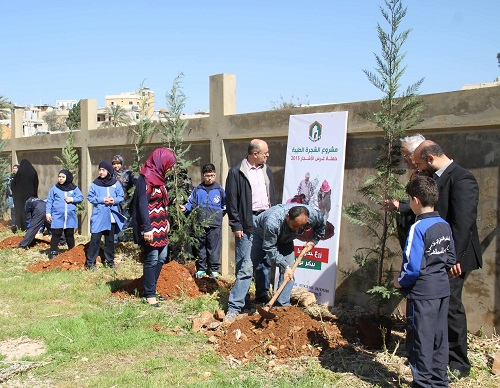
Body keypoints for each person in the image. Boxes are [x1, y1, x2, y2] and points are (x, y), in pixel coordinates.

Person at [414, 140, 482, 379]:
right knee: (441, 307)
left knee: (451, 307)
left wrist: (454, 259)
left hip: (455, 258)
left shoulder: (462, 178)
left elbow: (463, 225)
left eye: (420, 162)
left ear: (431, 158)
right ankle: (438, 355)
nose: (419, 167)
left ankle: (458, 362)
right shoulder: (438, 177)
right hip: (441, 256)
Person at [394, 175, 456, 387]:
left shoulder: (417, 228)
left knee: (420, 340)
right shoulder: (444, 225)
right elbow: (451, 258)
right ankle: (439, 382)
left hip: (422, 294)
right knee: (439, 339)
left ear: (415, 200)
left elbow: (412, 266)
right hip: (442, 290)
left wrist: (400, 282)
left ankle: (422, 383)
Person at [224, 204, 326, 323]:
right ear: (288, 216)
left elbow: (322, 221)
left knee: (289, 275)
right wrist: (286, 266)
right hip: (261, 236)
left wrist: (314, 241)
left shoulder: (312, 215)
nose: (298, 230)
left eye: (301, 227)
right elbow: (269, 248)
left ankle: (281, 308)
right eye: (295, 226)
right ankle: (233, 309)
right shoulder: (273, 221)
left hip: (286, 240)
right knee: (247, 269)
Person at [225, 139, 276, 305]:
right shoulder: (236, 172)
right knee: (244, 260)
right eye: (265, 152)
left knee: (265, 259)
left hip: (266, 219)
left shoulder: (266, 170)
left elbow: (271, 195)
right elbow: (231, 201)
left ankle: (262, 293)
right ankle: (243, 298)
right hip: (248, 220)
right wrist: (236, 224)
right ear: (255, 154)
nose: (268, 155)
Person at [131, 148, 177, 308]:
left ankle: (152, 288)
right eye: (169, 165)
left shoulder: (159, 177)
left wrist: (167, 220)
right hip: (150, 225)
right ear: (160, 162)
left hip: (161, 223)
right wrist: (147, 228)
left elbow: (163, 202)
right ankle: (149, 294)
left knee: (162, 256)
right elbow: (142, 205)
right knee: (152, 258)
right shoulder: (145, 180)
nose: (170, 168)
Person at [180, 163, 226, 279]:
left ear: (215, 175)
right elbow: (191, 203)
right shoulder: (198, 189)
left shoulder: (220, 190)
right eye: (207, 175)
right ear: (203, 176)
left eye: (212, 175)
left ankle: (214, 269)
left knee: (214, 247)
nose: (209, 178)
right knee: (201, 246)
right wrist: (185, 208)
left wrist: (219, 216)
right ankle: (201, 268)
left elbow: (225, 205)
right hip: (200, 224)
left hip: (215, 225)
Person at [384, 134, 426, 249]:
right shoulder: (416, 173)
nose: (404, 160)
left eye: (406, 155)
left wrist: (400, 206)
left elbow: (425, 201)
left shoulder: (427, 174)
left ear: (418, 152)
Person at [85, 161, 125, 270]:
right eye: (100, 170)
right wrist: (102, 200)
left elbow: (121, 196)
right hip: (99, 216)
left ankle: (110, 262)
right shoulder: (95, 184)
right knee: (95, 239)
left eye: (103, 170)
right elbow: (90, 197)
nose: (101, 172)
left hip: (111, 217)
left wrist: (114, 200)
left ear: (109, 171)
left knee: (110, 241)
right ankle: (90, 263)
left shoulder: (115, 184)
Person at [46, 169, 84, 259]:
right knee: (56, 233)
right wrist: (48, 213)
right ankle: (53, 251)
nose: (61, 179)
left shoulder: (74, 188)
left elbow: (80, 197)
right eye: (59, 177)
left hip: (70, 216)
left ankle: (72, 251)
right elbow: (49, 201)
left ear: (68, 178)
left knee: (69, 234)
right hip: (57, 215)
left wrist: (72, 199)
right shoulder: (54, 188)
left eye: (63, 177)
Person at [111, 155, 135, 242]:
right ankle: (115, 243)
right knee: (115, 222)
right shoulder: (110, 175)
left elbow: (135, 184)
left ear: (122, 163)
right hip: (114, 203)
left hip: (126, 203)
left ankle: (125, 242)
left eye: (118, 163)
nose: (116, 166)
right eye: (114, 164)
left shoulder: (128, 174)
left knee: (126, 223)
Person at [11, 159, 39, 231]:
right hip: (31, 195)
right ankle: (31, 226)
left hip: (19, 197)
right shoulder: (33, 172)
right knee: (30, 210)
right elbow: (36, 183)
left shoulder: (20, 172)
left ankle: (21, 226)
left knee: (21, 210)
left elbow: (14, 184)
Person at [4, 164, 19, 232]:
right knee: (12, 210)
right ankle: (13, 223)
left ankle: (18, 223)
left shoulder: (19, 176)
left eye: (15, 168)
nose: (14, 169)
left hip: (17, 196)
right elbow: (6, 184)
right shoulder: (10, 176)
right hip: (11, 196)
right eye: (13, 168)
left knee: (17, 210)